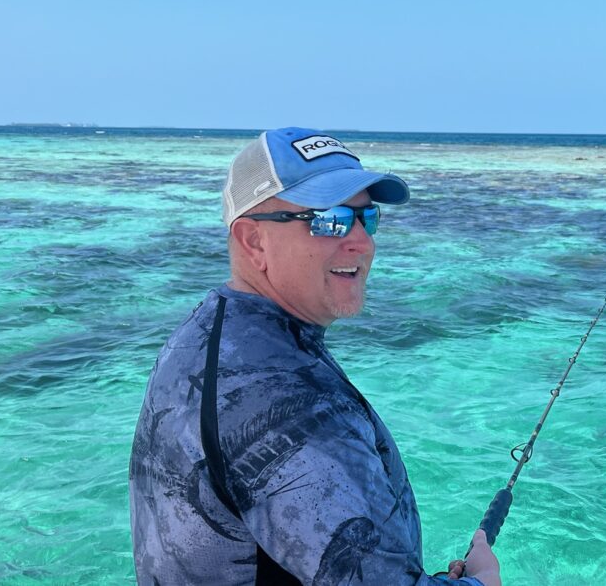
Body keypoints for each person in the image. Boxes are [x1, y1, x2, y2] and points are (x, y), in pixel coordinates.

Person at [129, 127, 502, 585]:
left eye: (368, 217)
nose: (362, 242)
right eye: (330, 219)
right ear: (253, 241)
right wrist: (480, 582)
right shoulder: (290, 405)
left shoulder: (205, 334)